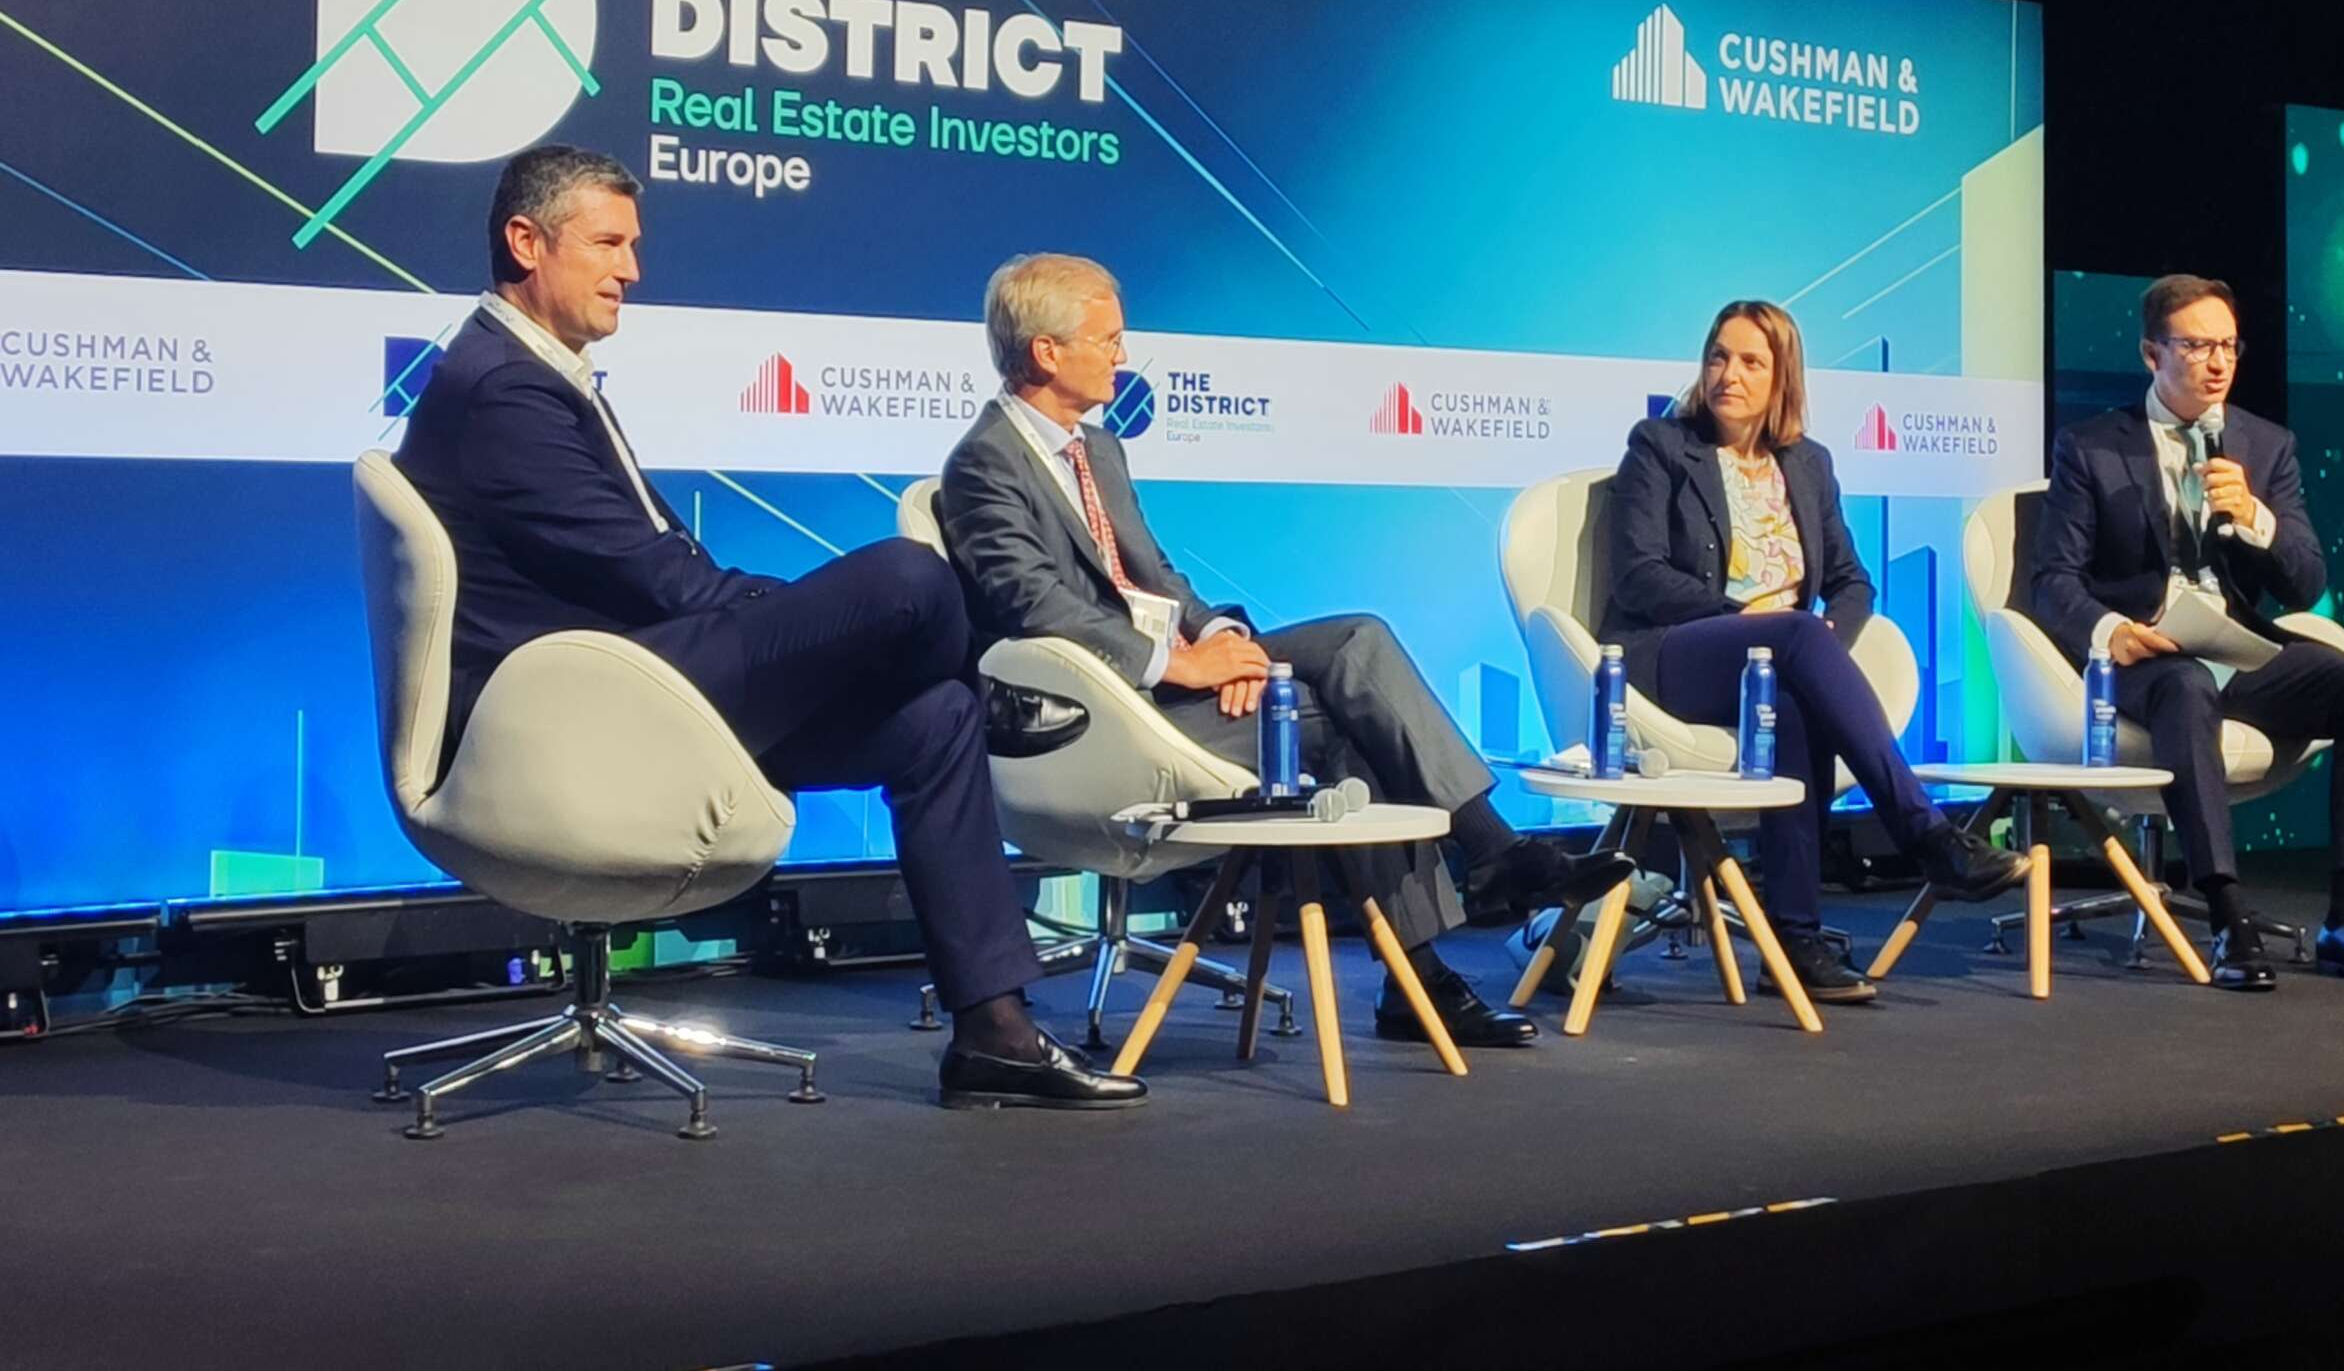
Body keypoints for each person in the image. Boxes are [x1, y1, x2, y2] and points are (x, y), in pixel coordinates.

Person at [395, 145, 1144, 1109]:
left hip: (639, 679)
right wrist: (795, 619)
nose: (633, 269)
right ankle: (1000, 692)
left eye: (635, 244)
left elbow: (658, 564)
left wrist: (795, 621)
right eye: (610, 243)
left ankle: (994, 1032)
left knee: (935, 721)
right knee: (909, 575)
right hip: (577, 710)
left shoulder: (535, 375)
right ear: (525, 241)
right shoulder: (505, 389)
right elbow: (654, 575)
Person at [938, 253, 1635, 1050]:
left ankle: (1490, 858)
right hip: (1103, 716)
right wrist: (1181, 666)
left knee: (1358, 643)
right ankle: (1444, 943)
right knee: (1342, 726)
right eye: (1108, 340)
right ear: (1047, 352)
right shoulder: (983, 464)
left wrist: (1219, 639)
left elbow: (1157, 576)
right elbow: (1036, 607)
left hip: (1174, 685)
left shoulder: (1098, 450)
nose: (1122, 357)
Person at [1600, 298, 2029, 1003]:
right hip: (1671, 656)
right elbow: (1639, 576)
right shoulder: (1659, 446)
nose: (1727, 375)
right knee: (1794, 638)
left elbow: (1851, 582)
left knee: (1799, 692)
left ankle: (1794, 941)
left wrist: (1831, 635)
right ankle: (1926, 835)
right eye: (1718, 356)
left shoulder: (1807, 463)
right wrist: (1752, 620)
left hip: (1780, 663)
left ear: (1782, 378)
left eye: (1749, 361)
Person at [2035, 273, 2344, 991]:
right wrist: (2110, 629)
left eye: (2229, 346)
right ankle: (2226, 912)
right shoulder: (2091, 447)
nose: (2218, 362)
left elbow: (2303, 583)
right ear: (2153, 354)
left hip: (2238, 650)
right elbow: (2052, 581)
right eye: (2197, 345)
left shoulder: (2264, 447)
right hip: (2150, 656)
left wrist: (2255, 520)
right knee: (2182, 685)